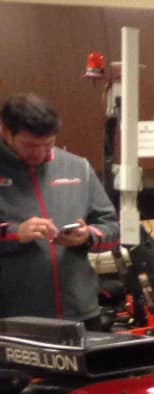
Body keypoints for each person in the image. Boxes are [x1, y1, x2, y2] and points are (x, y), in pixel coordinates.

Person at [0, 93, 117, 323]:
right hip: (14, 315)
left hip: (80, 311)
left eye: (49, 144)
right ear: (5, 131)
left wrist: (87, 237)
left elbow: (113, 228)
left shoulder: (77, 168)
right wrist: (14, 233)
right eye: (30, 146)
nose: (41, 154)